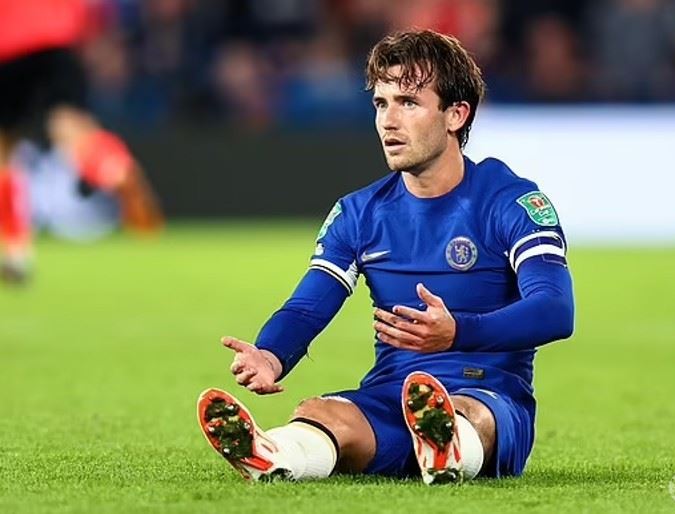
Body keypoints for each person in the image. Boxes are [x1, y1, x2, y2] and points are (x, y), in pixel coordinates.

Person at [197, 29, 575, 484]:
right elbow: (307, 306)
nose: (388, 121)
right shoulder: (360, 213)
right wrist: (270, 355)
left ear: (456, 115)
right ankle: (276, 455)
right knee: (319, 413)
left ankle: (449, 445)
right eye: (381, 103)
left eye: (408, 103)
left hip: (488, 395)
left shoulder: (510, 202)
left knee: (468, 413)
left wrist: (458, 332)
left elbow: (555, 309)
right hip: (393, 395)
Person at [0, 0, 163, 285]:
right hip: (58, 45)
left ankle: (15, 251)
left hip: (8, 49)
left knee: (4, 151)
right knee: (70, 128)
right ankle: (116, 170)